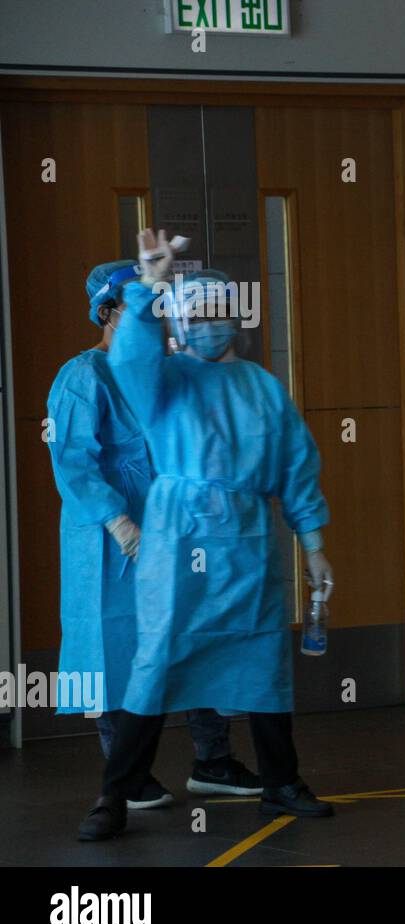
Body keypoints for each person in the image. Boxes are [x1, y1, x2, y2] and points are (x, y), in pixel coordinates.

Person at [77, 231, 335, 841]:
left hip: (248, 541)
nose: (210, 323)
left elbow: (296, 467)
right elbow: (129, 358)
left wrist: (315, 544)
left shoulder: (263, 388)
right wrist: (145, 289)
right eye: (197, 313)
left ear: (235, 320)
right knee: (158, 657)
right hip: (179, 537)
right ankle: (114, 796)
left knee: (263, 657)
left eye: (220, 313)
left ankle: (281, 781)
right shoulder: (163, 379)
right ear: (180, 321)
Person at [50, 261, 262, 811]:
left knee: (198, 633)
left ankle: (213, 760)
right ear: (107, 312)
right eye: (135, 305)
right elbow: (74, 461)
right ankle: (127, 775)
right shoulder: (83, 376)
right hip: (108, 534)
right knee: (112, 643)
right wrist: (118, 521)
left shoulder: (167, 370)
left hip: (178, 522)